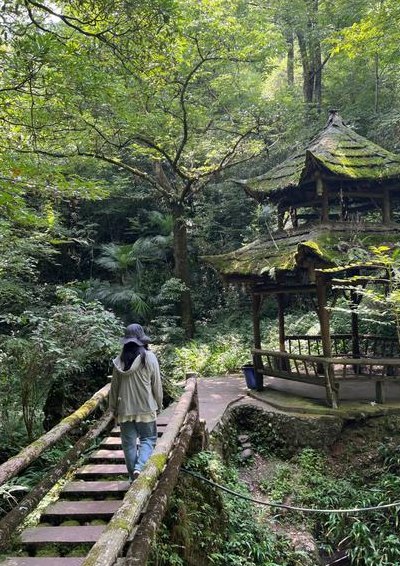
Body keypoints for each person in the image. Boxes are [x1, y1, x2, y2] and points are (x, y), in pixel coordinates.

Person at [109, 323, 163, 482]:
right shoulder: (149, 358)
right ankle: (139, 468)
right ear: (142, 340)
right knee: (149, 439)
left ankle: (133, 478)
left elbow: (114, 389)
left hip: (125, 410)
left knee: (129, 446)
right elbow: (156, 385)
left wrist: (113, 409)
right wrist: (159, 405)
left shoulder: (119, 361)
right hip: (146, 407)